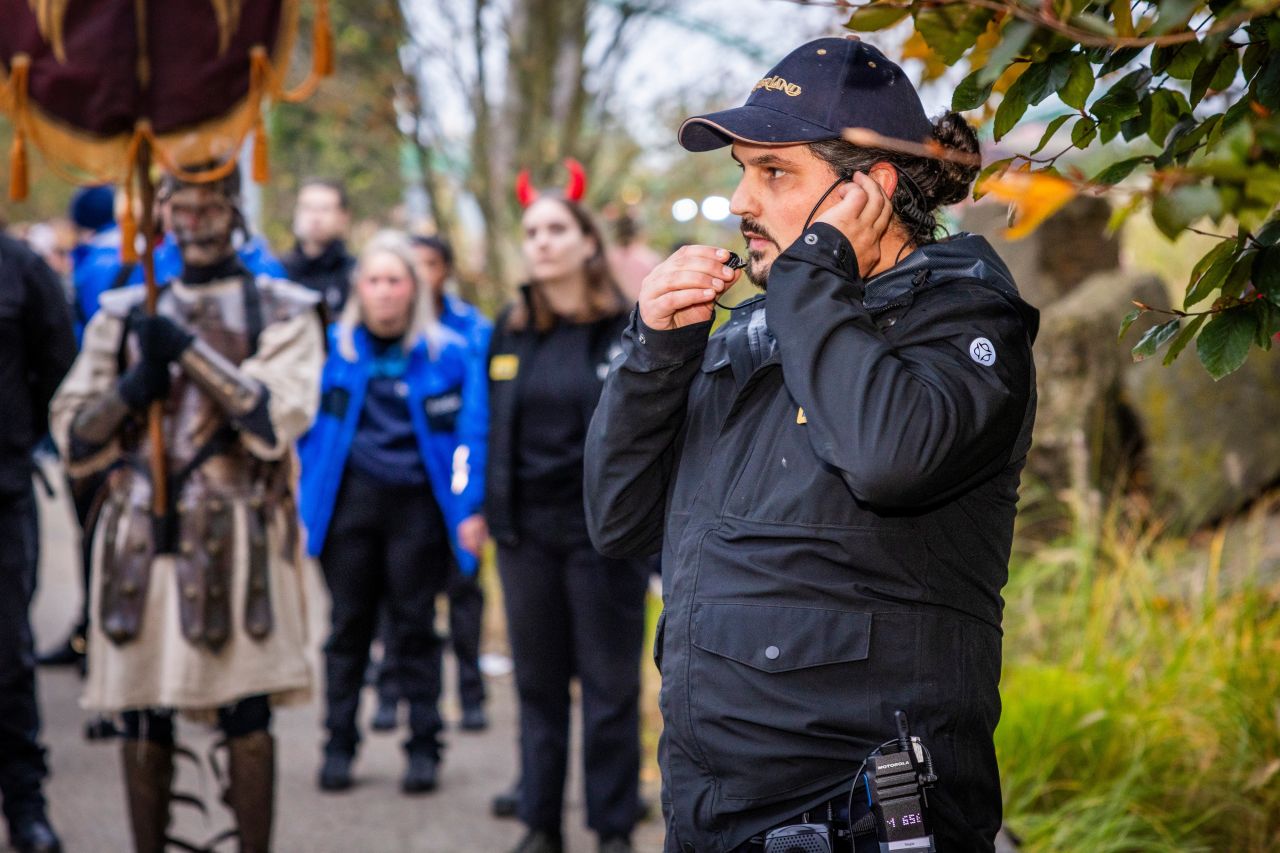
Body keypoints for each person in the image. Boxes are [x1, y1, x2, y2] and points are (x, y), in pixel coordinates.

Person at [584, 37, 1040, 853]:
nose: (738, 200)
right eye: (740, 169)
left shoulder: (966, 320)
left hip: (861, 817)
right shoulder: (753, 330)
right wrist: (655, 354)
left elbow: (888, 457)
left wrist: (814, 272)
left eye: (773, 172)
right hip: (712, 809)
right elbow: (618, 521)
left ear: (869, 189)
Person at [49, 163, 324, 853]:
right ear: (162, 212)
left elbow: (269, 421)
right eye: (183, 206)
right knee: (143, 710)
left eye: (212, 206)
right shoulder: (122, 313)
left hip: (241, 531)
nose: (196, 221)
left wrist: (187, 353)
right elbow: (75, 432)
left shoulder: (284, 306)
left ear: (236, 209)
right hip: (141, 530)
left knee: (247, 709)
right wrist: (133, 388)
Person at [297, 231, 488, 794]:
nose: (384, 292)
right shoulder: (330, 349)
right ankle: (338, 744)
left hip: (418, 512)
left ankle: (424, 746)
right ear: (359, 288)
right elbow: (300, 435)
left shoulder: (449, 353)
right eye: (374, 281)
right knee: (347, 630)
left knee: (415, 630)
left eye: (395, 280)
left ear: (415, 287)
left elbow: (471, 436)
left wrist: (468, 507)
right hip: (347, 512)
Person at [487, 187, 647, 853]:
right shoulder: (512, 325)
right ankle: (540, 823)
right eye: (531, 231)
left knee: (609, 688)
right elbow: (492, 422)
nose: (541, 241)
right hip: (526, 533)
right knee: (537, 684)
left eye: (555, 228)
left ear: (588, 243)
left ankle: (612, 827)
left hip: (603, 533)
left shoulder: (625, 327)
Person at [370, 234, 493, 734]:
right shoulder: (389, 332)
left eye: (430, 265)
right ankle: (389, 690)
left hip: (458, 482)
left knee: (464, 592)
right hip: (409, 490)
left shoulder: (473, 330)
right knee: (398, 597)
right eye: (411, 266)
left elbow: (480, 415)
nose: (420, 275)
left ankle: (471, 692)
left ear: (445, 270)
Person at [0, 232, 75, 853]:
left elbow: (58, 362)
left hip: (2, 493)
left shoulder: (21, 269)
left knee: (7, 658)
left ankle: (25, 805)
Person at [282, 178, 356, 316]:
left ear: (344, 216)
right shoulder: (280, 272)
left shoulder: (355, 275)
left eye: (324, 209)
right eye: (307, 208)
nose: (315, 217)